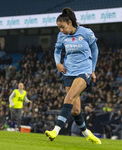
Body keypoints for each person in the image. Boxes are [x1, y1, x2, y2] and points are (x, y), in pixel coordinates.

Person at [45, 7, 101, 144]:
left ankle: (55, 131)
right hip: (68, 71)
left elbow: (95, 50)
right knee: (75, 110)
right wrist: (58, 63)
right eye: (59, 28)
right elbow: (57, 51)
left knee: (69, 97)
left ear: (70, 22)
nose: (61, 30)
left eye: (62, 27)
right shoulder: (61, 36)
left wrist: (93, 70)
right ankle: (87, 134)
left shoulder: (86, 32)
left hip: (84, 70)